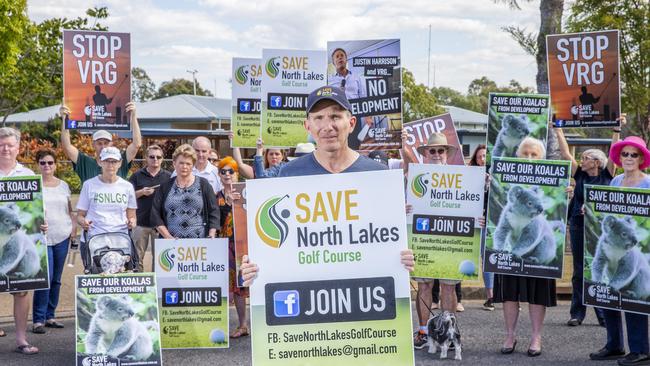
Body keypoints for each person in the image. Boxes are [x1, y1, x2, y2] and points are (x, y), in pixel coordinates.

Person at [239, 85, 414, 286]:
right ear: (308, 126)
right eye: (319, 118)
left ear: (351, 123)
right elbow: (282, 241)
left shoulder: (378, 175)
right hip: (310, 295)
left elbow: (387, 239)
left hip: (364, 294)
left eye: (335, 116)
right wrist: (257, 264)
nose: (327, 125)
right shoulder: (289, 174)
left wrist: (401, 257)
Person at [404, 132, 471, 348]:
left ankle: (449, 332)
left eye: (440, 150)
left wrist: (476, 218)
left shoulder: (461, 177)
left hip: (450, 238)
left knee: (448, 287)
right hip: (423, 236)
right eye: (431, 150)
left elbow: (471, 204)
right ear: (425, 154)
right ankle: (423, 331)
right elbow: (406, 163)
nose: (436, 154)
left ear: (446, 153)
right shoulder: (414, 176)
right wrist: (402, 208)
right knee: (424, 285)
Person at [589, 135, 650, 366]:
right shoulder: (615, 182)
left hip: (637, 249)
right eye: (625, 154)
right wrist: (592, 211)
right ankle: (614, 344)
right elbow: (608, 215)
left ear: (641, 158)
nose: (629, 158)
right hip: (613, 248)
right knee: (609, 294)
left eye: (634, 154)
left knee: (634, 295)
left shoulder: (648, 183)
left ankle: (640, 349)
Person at [494, 136, 554, 357]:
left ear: (542, 158)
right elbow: (499, 228)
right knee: (510, 292)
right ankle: (510, 334)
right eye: (525, 153)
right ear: (517, 156)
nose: (529, 158)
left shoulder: (552, 182)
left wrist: (567, 192)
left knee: (537, 292)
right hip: (512, 251)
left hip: (538, 250)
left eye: (534, 154)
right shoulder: (504, 179)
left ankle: (536, 336)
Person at [556, 124, 620, 327]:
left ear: (596, 162)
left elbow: (613, 152)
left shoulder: (608, 175)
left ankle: (603, 314)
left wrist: (616, 130)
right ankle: (577, 313)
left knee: (600, 269)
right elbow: (566, 154)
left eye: (585, 158)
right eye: (582, 158)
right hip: (578, 225)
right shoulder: (580, 176)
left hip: (602, 230)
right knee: (578, 270)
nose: (581, 160)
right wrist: (558, 130)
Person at [0, 127, 39, 354]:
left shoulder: (27, 176)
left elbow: (37, 207)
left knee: (22, 290)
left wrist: (42, 224)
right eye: (1, 145)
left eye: (10, 145)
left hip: (14, 240)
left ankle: (22, 340)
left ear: (18, 148)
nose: (5, 149)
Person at [31, 149, 76, 334]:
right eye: (43, 163)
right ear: (38, 165)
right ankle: (38, 319)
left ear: (56, 164)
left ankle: (51, 315)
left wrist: (74, 230)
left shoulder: (64, 185)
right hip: (42, 238)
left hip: (62, 236)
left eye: (50, 162)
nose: (47, 166)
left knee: (56, 279)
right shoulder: (34, 185)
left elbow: (70, 210)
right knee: (45, 279)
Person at [59, 102, 142, 183]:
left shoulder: (119, 162)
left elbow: (136, 144)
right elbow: (67, 146)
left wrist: (133, 116)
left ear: (111, 144)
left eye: (106, 143)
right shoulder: (85, 163)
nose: (103, 146)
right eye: (99, 143)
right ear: (93, 144)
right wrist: (65, 119)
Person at [151, 144, 219, 239]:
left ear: (193, 165)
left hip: (200, 244)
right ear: (174, 163)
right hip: (171, 242)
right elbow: (155, 215)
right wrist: (167, 237)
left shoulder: (204, 184)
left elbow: (214, 211)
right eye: (181, 163)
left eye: (188, 164)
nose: (184, 167)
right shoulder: (165, 186)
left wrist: (211, 234)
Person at [214, 157, 249, 338]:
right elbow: (216, 222)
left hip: (246, 243)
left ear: (236, 174)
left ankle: (257, 324)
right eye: (223, 171)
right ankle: (242, 324)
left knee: (249, 283)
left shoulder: (247, 192)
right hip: (226, 245)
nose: (227, 174)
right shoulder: (216, 196)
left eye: (231, 171)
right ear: (219, 175)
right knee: (235, 286)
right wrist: (227, 204)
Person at [76, 146, 137, 246]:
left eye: (114, 161)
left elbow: (132, 217)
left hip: (120, 240)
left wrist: (132, 222)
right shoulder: (89, 185)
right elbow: (80, 215)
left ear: (120, 163)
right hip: (94, 240)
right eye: (107, 161)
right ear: (100, 162)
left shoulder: (127, 187)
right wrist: (83, 222)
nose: (110, 165)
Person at [128, 145, 171, 272]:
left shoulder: (169, 176)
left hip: (161, 224)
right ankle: (139, 284)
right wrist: (141, 192)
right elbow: (128, 197)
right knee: (137, 257)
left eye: (158, 157)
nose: (155, 159)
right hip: (141, 223)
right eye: (152, 157)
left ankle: (156, 285)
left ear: (163, 159)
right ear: (146, 158)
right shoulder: (136, 176)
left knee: (159, 258)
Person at [469, 144, 495, 311]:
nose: (482, 159)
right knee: (486, 260)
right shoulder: (470, 175)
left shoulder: (497, 174)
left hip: (497, 223)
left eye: (484, 156)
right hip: (480, 223)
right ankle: (491, 296)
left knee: (502, 261)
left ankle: (508, 297)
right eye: (479, 157)